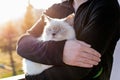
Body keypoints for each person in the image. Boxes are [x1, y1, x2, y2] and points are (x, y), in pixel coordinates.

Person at [16, 0, 120, 80]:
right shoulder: (56, 9)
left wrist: (34, 77)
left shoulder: (106, 6)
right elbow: (23, 45)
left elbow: (79, 70)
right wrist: (61, 51)